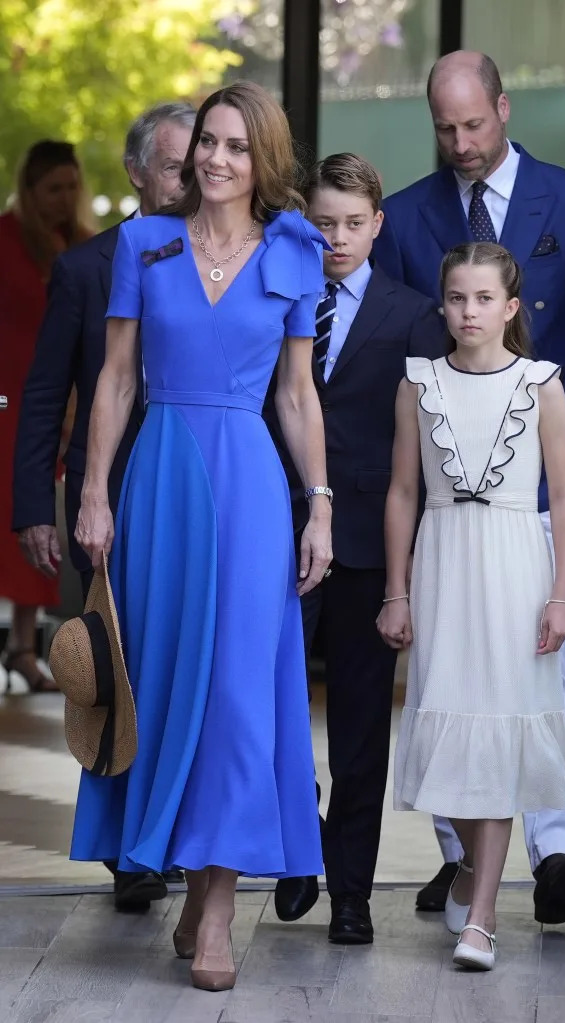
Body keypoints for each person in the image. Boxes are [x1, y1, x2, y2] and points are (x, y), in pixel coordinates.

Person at [70, 81, 330, 992]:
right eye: (207, 144)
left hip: (252, 488)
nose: (215, 159)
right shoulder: (145, 243)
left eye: (234, 146)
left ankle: (217, 910)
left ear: (264, 160)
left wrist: (319, 505)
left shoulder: (294, 250)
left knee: (236, 693)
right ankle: (189, 884)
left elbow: (296, 394)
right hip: (161, 480)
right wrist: (93, 490)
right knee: (170, 684)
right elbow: (114, 379)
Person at [373, 50, 565, 924]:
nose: (460, 143)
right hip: (450, 494)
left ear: (504, 108)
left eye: (473, 124)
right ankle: (461, 859)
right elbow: (399, 354)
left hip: (542, 479)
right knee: (450, 674)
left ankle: (558, 849)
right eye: (444, 128)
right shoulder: (405, 215)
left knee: (543, 659)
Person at [12, 102, 196, 912]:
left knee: (185, 665)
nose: (191, 179)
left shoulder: (227, 256)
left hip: (199, 493)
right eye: (175, 165)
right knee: (118, 668)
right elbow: (45, 389)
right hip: (111, 493)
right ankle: (129, 849)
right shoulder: (87, 267)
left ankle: (176, 831)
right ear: (135, 173)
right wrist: (35, 504)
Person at [378, 242, 565, 969]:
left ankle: (483, 920)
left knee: (498, 730)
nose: (469, 311)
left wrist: (560, 595)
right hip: (442, 565)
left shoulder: (541, 384)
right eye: (458, 298)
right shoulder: (418, 383)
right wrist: (396, 590)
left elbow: (564, 498)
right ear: (443, 305)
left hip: (515, 566)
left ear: (510, 306)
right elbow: (403, 491)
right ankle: (468, 865)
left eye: (484, 298)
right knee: (448, 728)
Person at [264, 153, 443, 944]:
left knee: (362, 727)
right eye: (322, 223)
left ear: (377, 224)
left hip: (370, 543)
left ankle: (351, 894)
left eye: (351, 223)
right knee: (269, 704)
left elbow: (422, 451)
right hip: (277, 529)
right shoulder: (278, 297)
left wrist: (408, 572)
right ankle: (296, 844)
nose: (336, 238)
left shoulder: (414, 314)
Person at [0, 140, 94, 692]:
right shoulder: (5, 239)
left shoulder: (82, 247)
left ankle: (21, 645)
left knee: (36, 523)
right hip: (6, 400)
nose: (63, 198)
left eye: (71, 187)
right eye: (53, 188)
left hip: (50, 409)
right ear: (30, 191)